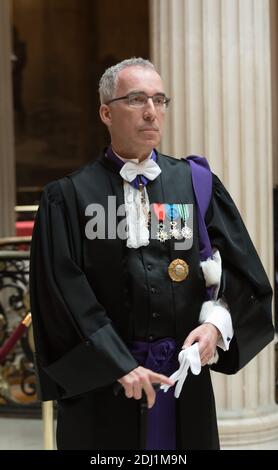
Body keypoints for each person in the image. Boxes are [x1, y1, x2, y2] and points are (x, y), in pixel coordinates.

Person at [30, 57, 274, 450]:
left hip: (184, 384)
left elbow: (243, 273)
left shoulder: (196, 184)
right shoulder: (70, 197)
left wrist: (215, 326)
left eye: (160, 100)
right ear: (106, 113)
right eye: (136, 99)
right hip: (106, 390)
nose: (151, 112)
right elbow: (62, 294)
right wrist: (118, 365)